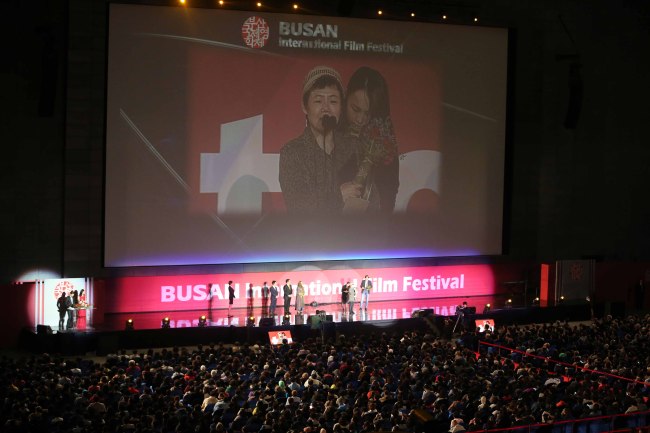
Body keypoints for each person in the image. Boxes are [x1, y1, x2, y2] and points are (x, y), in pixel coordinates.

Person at [279, 65, 361, 213]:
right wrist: (338, 195)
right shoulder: (292, 152)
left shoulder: (353, 147)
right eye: (318, 101)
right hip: (310, 236)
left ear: (341, 107)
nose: (326, 108)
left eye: (333, 101)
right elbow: (298, 206)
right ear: (305, 107)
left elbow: (374, 201)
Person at [343, 66, 399, 212]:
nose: (360, 119)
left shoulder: (383, 136)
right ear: (345, 97)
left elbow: (389, 190)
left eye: (368, 114)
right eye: (355, 109)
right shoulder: (329, 130)